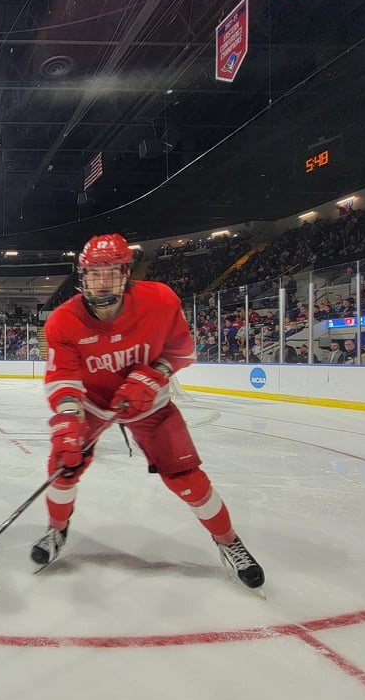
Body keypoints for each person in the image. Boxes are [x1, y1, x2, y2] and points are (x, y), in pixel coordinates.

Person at [36, 234, 264, 592]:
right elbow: (63, 379)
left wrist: (156, 373)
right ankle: (56, 530)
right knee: (63, 469)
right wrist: (67, 421)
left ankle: (228, 541)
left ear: (126, 274)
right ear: (83, 276)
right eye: (94, 274)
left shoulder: (159, 300)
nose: (101, 281)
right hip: (92, 404)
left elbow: (183, 351)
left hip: (151, 404)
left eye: (110, 272)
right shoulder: (63, 321)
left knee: (188, 477)